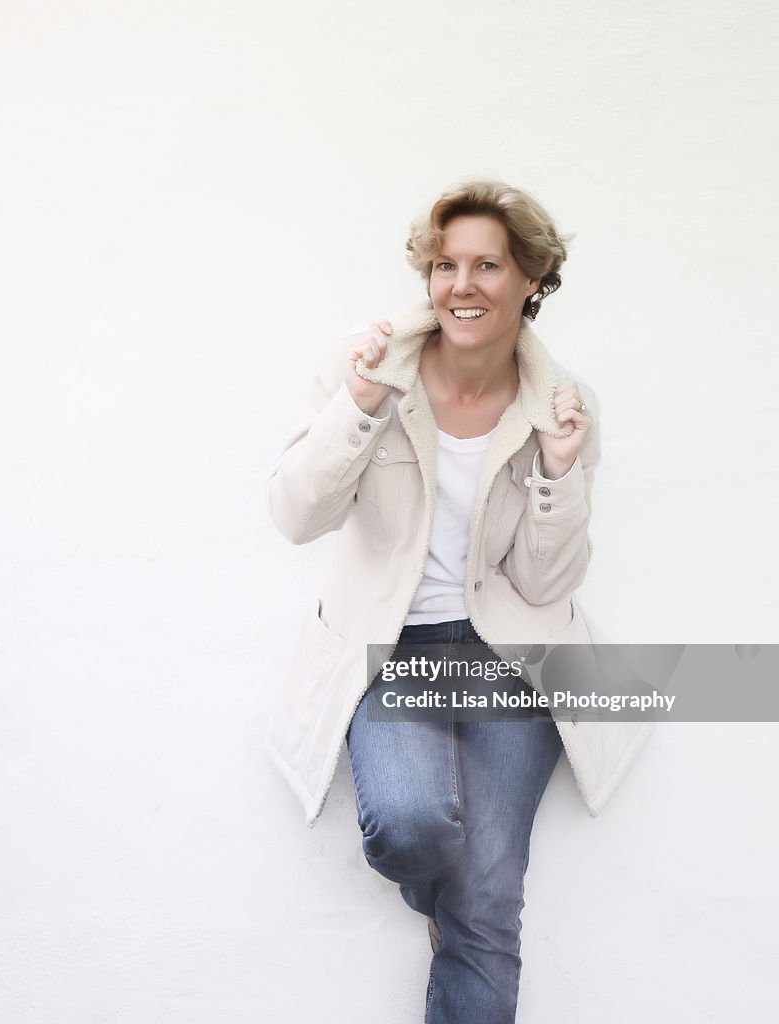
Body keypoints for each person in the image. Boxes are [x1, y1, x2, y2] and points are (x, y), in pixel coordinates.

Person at [265, 180, 651, 1023]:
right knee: (411, 826)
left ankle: (463, 924)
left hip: (512, 659)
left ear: (532, 281)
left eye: (488, 265)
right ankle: (447, 910)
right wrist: (361, 405)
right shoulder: (364, 367)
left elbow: (548, 583)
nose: (462, 286)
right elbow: (297, 514)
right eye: (445, 265)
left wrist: (557, 469)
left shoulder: (564, 405)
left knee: (486, 906)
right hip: (392, 650)